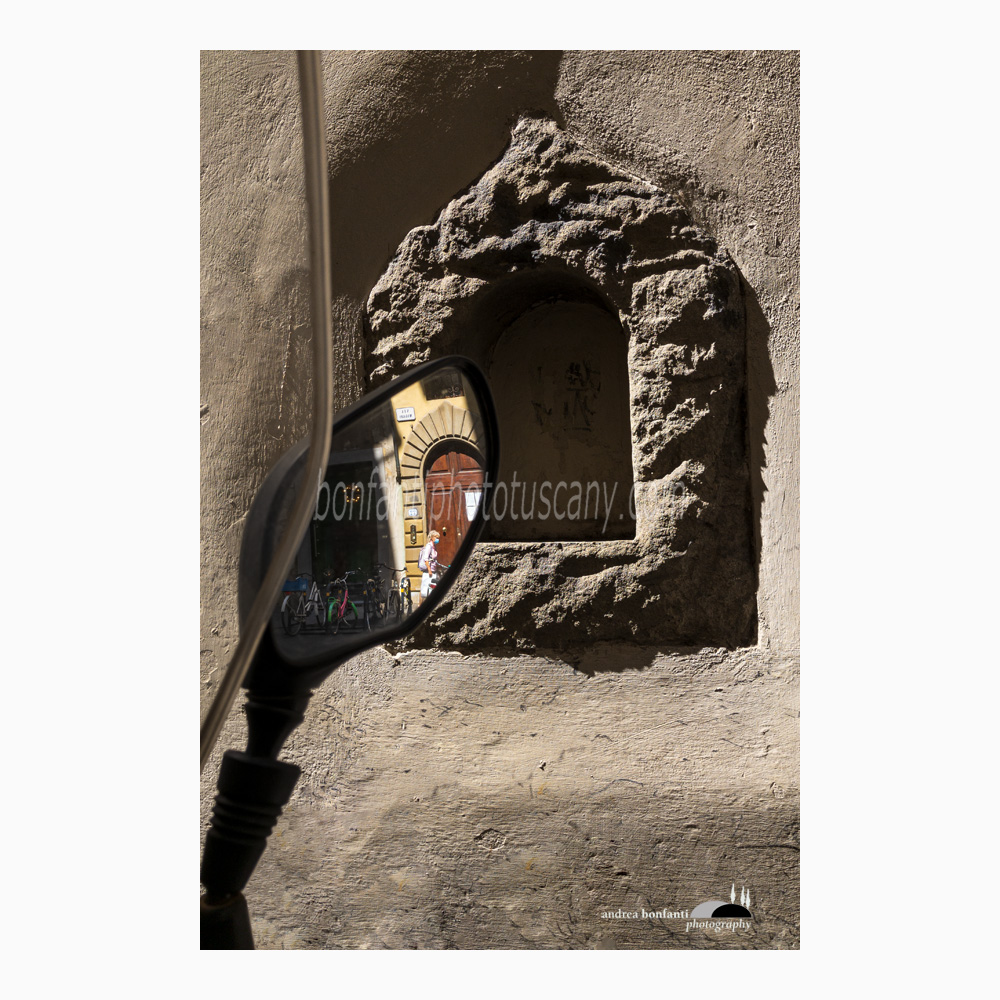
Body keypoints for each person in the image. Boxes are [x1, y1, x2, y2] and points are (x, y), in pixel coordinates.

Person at [418, 530, 440, 598]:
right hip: (429, 573)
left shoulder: (434, 547)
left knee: (433, 591)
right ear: (432, 537)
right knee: (426, 592)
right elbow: (426, 559)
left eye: (438, 538)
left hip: (433, 571)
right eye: (436, 537)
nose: (437, 539)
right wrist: (429, 570)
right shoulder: (429, 546)